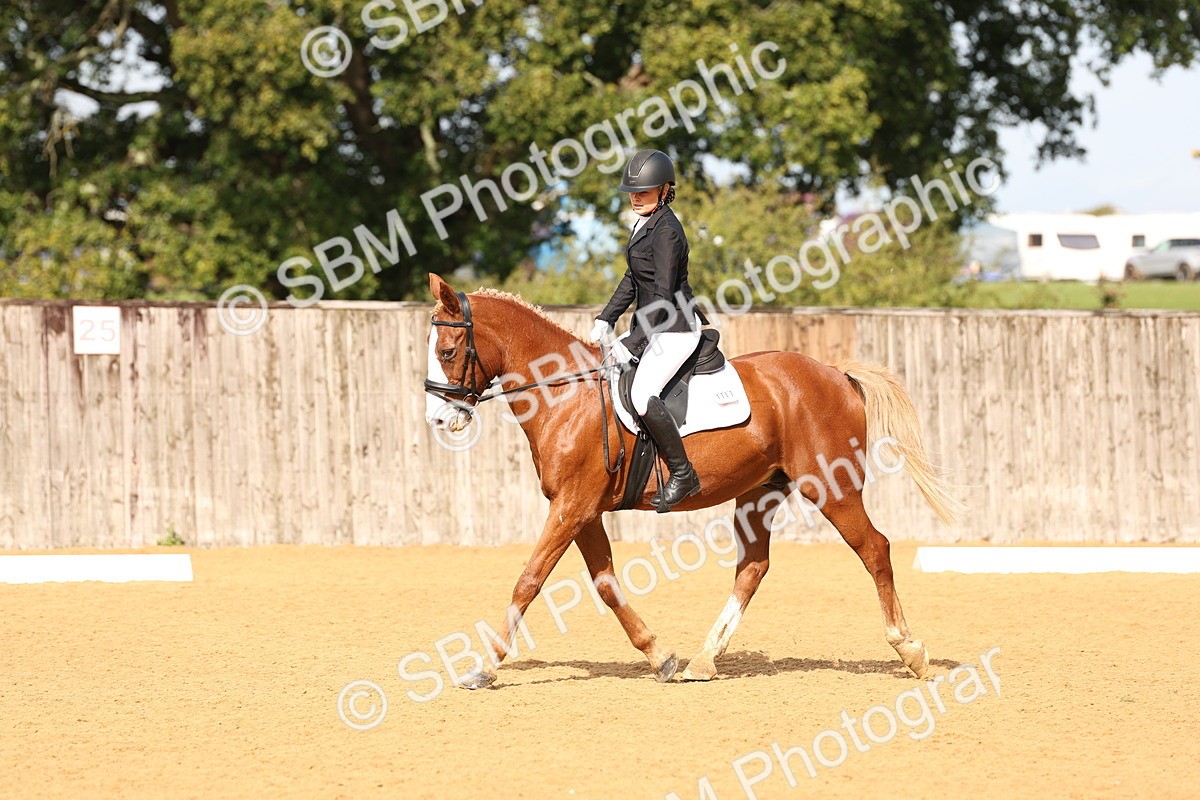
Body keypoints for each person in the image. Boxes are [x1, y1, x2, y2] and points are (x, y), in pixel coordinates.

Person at [588, 149, 709, 513]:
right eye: (632, 190)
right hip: (655, 326)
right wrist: (607, 317)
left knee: (642, 395)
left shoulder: (668, 231)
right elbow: (633, 278)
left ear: (665, 189)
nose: (635, 196)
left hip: (675, 327)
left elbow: (662, 292)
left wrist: (635, 341)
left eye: (645, 190)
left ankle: (682, 473)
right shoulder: (645, 224)